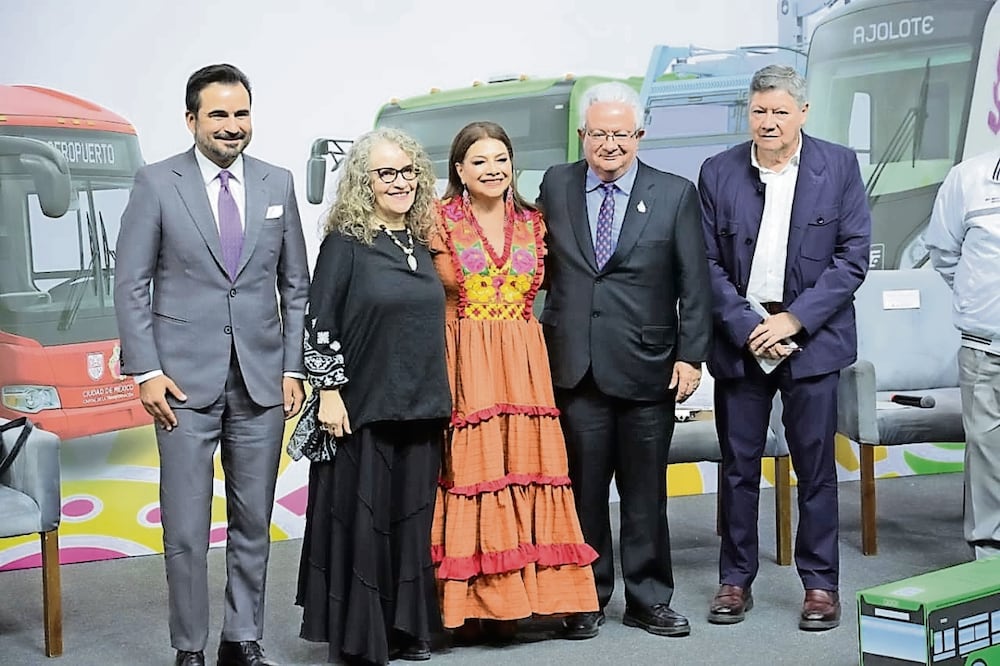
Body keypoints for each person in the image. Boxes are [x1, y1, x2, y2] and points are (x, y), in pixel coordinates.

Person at [114, 64, 309, 666]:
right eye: (219, 114)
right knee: (186, 532)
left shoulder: (277, 183)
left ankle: (241, 638)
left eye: (241, 113)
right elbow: (130, 285)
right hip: (179, 386)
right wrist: (145, 371)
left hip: (261, 384)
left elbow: (296, 286)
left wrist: (294, 367)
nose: (233, 125)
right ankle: (189, 647)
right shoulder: (155, 182)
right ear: (191, 117)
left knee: (254, 525)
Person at [536, 81, 712, 640]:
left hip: (649, 367)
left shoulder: (675, 193)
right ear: (583, 135)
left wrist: (691, 356)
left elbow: (695, 283)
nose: (608, 144)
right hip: (576, 367)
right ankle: (586, 597)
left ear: (639, 135)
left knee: (644, 496)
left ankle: (648, 598)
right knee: (583, 493)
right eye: (597, 133)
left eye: (620, 133)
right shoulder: (556, 183)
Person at [699, 64, 870, 631]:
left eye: (778, 111)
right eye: (758, 111)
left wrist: (794, 320)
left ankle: (820, 585)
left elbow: (851, 260)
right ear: (747, 112)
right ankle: (734, 580)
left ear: (802, 112)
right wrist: (748, 321)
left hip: (811, 340)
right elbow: (705, 262)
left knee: (815, 469)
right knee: (739, 467)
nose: (767, 122)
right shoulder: (718, 171)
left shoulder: (839, 166)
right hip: (742, 337)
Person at [430, 121, 599, 639]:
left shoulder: (534, 221)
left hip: (526, 369)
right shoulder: (436, 220)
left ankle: (549, 599)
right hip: (465, 363)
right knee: (473, 478)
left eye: (500, 159)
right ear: (458, 169)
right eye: (479, 161)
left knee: (533, 474)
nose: (492, 170)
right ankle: (475, 606)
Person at [291, 128, 452, 665]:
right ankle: (362, 638)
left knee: (410, 523)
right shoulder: (345, 242)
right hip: (360, 408)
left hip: (422, 405)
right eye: (387, 172)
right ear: (364, 179)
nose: (400, 182)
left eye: (408, 171)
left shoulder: (421, 240)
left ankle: (405, 629)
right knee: (362, 523)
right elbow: (320, 319)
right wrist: (329, 392)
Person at [925, 149, 1000, 561]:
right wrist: (980, 304)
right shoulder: (968, 178)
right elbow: (944, 253)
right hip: (985, 347)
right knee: (987, 455)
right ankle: (989, 564)